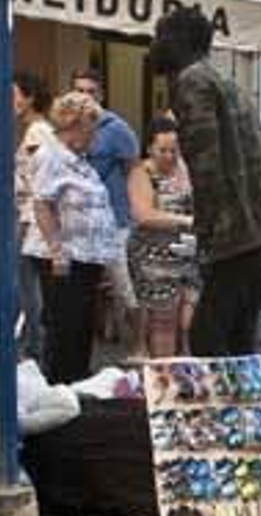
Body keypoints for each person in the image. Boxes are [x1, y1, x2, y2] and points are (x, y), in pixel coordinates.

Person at [148, 7, 261, 357]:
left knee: (208, 336)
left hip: (244, 231)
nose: (153, 46)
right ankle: (246, 392)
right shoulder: (221, 80)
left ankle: (222, 395)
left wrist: (207, 234)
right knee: (238, 334)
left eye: (159, 38)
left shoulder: (191, 82)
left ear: (179, 43)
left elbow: (207, 166)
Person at [24, 92, 122, 385]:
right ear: (74, 125)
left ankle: (78, 385)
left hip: (86, 257)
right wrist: (57, 250)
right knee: (65, 327)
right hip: (63, 257)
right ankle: (61, 387)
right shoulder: (50, 155)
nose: (95, 136)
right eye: (92, 128)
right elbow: (42, 203)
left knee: (81, 326)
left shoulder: (79, 160)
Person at [70, 68, 141, 346]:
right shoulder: (67, 127)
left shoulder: (116, 129)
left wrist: (136, 212)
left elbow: (134, 171)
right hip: (79, 219)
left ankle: (140, 346)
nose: (85, 97)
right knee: (86, 286)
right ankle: (96, 340)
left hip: (114, 219)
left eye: (90, 91)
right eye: (79, 91)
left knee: (123, 285)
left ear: (101, 95)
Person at [127, 116, 200, 359]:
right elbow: (144, 215)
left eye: (174, 150)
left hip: (188, 254)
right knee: (164, 320)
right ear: (150, 148)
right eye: (163, 150)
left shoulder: (185, 168)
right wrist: (186, 220)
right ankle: (164, 370)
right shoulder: (141, 173)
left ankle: (185, 369)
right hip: (154, 257)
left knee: (189, 319)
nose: (169, 156)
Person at [12, 70, 55, 362]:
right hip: (30, 214)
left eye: (13, 94)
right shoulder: (37, 130)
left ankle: (34, 349)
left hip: (30, 217)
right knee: (29, 285)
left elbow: (42, 176)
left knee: (28, 287)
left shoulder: (37, 132)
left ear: (29, 98)